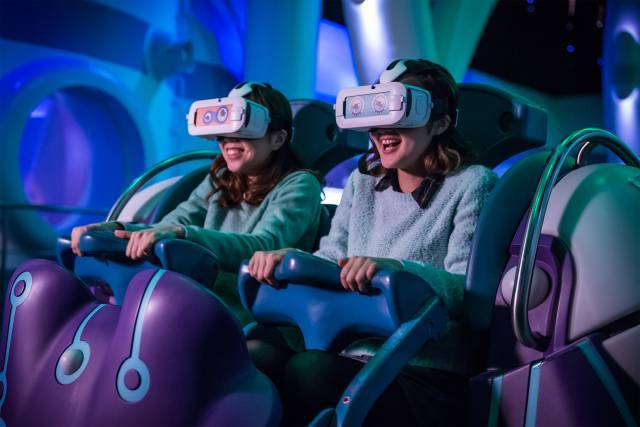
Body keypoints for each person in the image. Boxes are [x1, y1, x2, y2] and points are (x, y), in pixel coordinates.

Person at [247, 59, 498, 426]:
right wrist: (289, 258)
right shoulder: (362, 183)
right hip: (353, 354)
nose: (382, 130)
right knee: (256, 358)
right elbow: (332, 257)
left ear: (440, 123)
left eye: (400, 114)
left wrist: (396, 269)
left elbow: (466, 289)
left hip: (420, 368)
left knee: (309, 371)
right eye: (377, 115)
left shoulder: (473, 184)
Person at [71, 82, 323, 324]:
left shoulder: (300, 184)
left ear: (278, 139)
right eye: (224, 127)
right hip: (201, 304)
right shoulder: (221, 178)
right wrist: (111, 230)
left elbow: (263, 245)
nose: (229, 139)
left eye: (244, 127)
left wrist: (183, 233)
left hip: (256, 317)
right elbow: (169, 226)